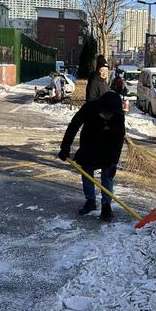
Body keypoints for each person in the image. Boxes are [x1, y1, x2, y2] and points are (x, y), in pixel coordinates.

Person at [58, 91, 125, 221]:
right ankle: (90, 201)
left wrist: (114, 162)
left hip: (108, 149)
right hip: (89, 146)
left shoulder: (118, 114)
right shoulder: (89, 108)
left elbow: (119, 138)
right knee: (87, 173)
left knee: (108, 175)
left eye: (111, 114)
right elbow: (74, 126)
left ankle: (106, 205)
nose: (108, 116)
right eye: (107, 113)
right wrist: (65, 147)